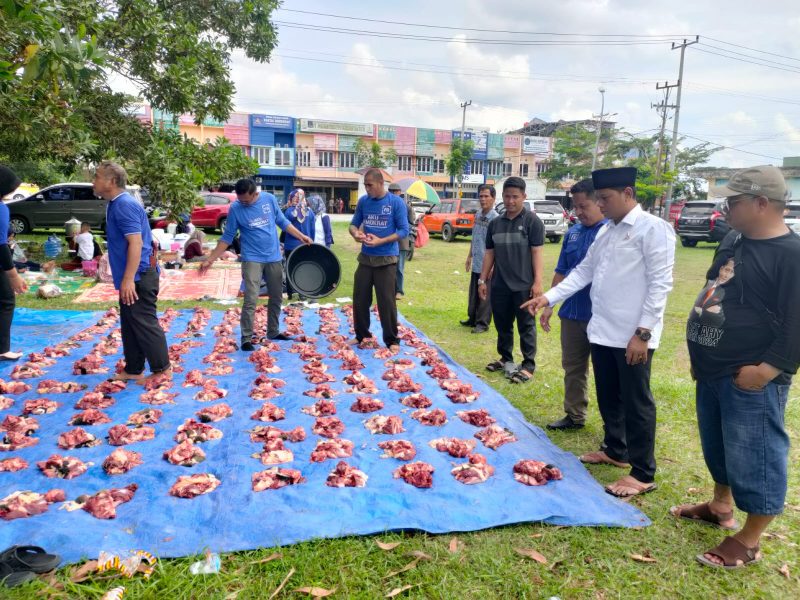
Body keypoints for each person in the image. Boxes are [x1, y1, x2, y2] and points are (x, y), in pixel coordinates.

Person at [671, 166, 800, 569]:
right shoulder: (733, 239)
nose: (725, 209)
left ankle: (749, 539)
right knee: (718, 445)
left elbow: (797, 323)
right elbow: (715, 288)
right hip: (712, 367)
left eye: (734, 201)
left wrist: (766, 371)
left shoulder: (792, 255)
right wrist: (699, 354)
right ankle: (719, 506)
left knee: (755, 453)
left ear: (762, 203)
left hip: (751, 376)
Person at [523, 167, 675, 498]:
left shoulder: (654, 229)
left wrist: (643, 333)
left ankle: (643, 471)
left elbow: (660, 285)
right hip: (602, 331)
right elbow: (583, 273)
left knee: (636, 401)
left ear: (628, 194)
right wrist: (548, 297)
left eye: (605, 198)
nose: (600, 204)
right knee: (608, 395)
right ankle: (616, 450)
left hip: (633, 335)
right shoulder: (607, 231)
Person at [200, 179, 312, 350]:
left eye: (246, 200)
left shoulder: (269, 199)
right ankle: (246, 338)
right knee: (251, 298)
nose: (243, 203)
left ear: (255, 194)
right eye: (240, 200)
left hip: (273, 256)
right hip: (252, 258)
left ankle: (273, 331)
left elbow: (282, 222)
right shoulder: (236, 208)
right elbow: (227, 237)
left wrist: (301, 236)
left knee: (276, 296)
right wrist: (210, 259)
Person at [93, 161, 170, 383]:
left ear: (111, 181)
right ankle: (134, 369)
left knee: (144, 321)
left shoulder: (124, 205)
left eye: (97, 177)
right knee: (130, 323)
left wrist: (128, 280)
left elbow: (136, 243)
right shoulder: (115, 203)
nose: (93, 181)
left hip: (139, 275)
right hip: (132, 275)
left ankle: (162, 370)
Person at [540, 179, 607, 430]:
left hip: (600, 315)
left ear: (599, 202)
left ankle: (613, 429)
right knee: (573, 367)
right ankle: (574, 415)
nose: (578, 212)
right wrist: (550, 304)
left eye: (583, 206)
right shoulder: (573, 233)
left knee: (606, 373)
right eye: (575, 207)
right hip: (572, 313)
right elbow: (561, 270)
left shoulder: (609, 233)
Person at [478, 177, 544, 384]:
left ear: (524, 196)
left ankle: (528, 365)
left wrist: (538, 282)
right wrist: (482, 280)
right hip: (500, 284)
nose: (510, 201)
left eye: (515, 197)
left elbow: (537, 253)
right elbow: (489, 253)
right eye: (507, 196)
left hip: (524, 285)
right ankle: (505, 358)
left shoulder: (532, 222)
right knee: (502, 324)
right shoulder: (495, 223)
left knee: (526, 325)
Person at [349, 168, 409, 351]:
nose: (367, 189)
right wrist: (356, 234)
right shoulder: (363, 202)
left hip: (386, 260)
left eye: (370, 185)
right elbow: (353, 225)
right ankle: (362, 335)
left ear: (381, 184)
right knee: (360, 299)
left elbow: (403, 231)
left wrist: (381, 241)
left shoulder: (395, 203)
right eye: (365, 185)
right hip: (366, 259)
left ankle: (392, 340)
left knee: (386, 302)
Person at [0, 166, 28, 361]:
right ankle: (2, 349)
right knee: (6, 302)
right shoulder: (1, 209)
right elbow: (1, 246)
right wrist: (13, 275)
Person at [461, 184, 497, 334]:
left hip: (487, 264)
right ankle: (472, 318)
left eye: (486, 196)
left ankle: (482, 323)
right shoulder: (477, 214)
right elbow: (475, 237)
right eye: (481, 196)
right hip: (477, 260)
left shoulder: (495, 219)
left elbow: (497, 245)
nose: (483, 199)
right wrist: (469, 256)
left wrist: (493, 266)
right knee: (474, 293)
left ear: (493, 198)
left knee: (485, 294)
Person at [283, 189, 316, 300]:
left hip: (290, 245)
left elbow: (285, 228)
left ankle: (290, 293)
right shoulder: (309, 212)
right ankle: (302, 293)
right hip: (306, 245)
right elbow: (313, 229)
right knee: (303, 268)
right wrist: (312, 241)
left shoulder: (289, 211)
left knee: (290, 268)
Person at [390, 183, 416, 299]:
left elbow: (411, 224)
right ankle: (389, 290)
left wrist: (400, 228)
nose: (393, 194)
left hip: (401, 241)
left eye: (395, 192)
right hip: (388, 242)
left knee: (399, 268)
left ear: (399, 193)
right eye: (391, 192)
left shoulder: (407, 207)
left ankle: (399, 291)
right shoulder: (386, 205)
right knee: (388, 268)